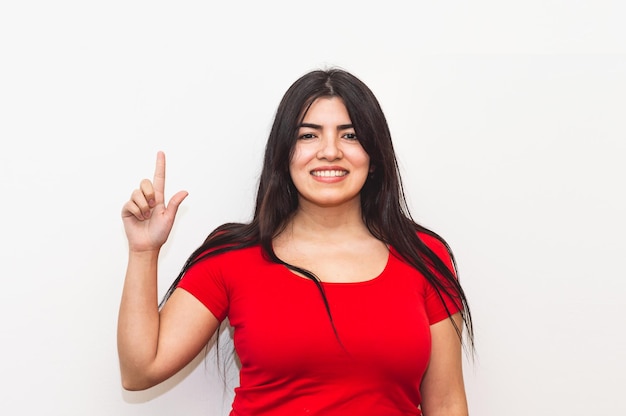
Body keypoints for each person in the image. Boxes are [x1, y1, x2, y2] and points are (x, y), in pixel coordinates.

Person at [118, 68, 474, 416]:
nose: (330, 151)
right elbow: (141, 371)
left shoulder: (424, 256)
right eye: (309, 135)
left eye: (350, 135)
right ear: (284, 153)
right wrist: (143, 252)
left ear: (375, 155)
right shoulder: (232, 255)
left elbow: (446, 404)